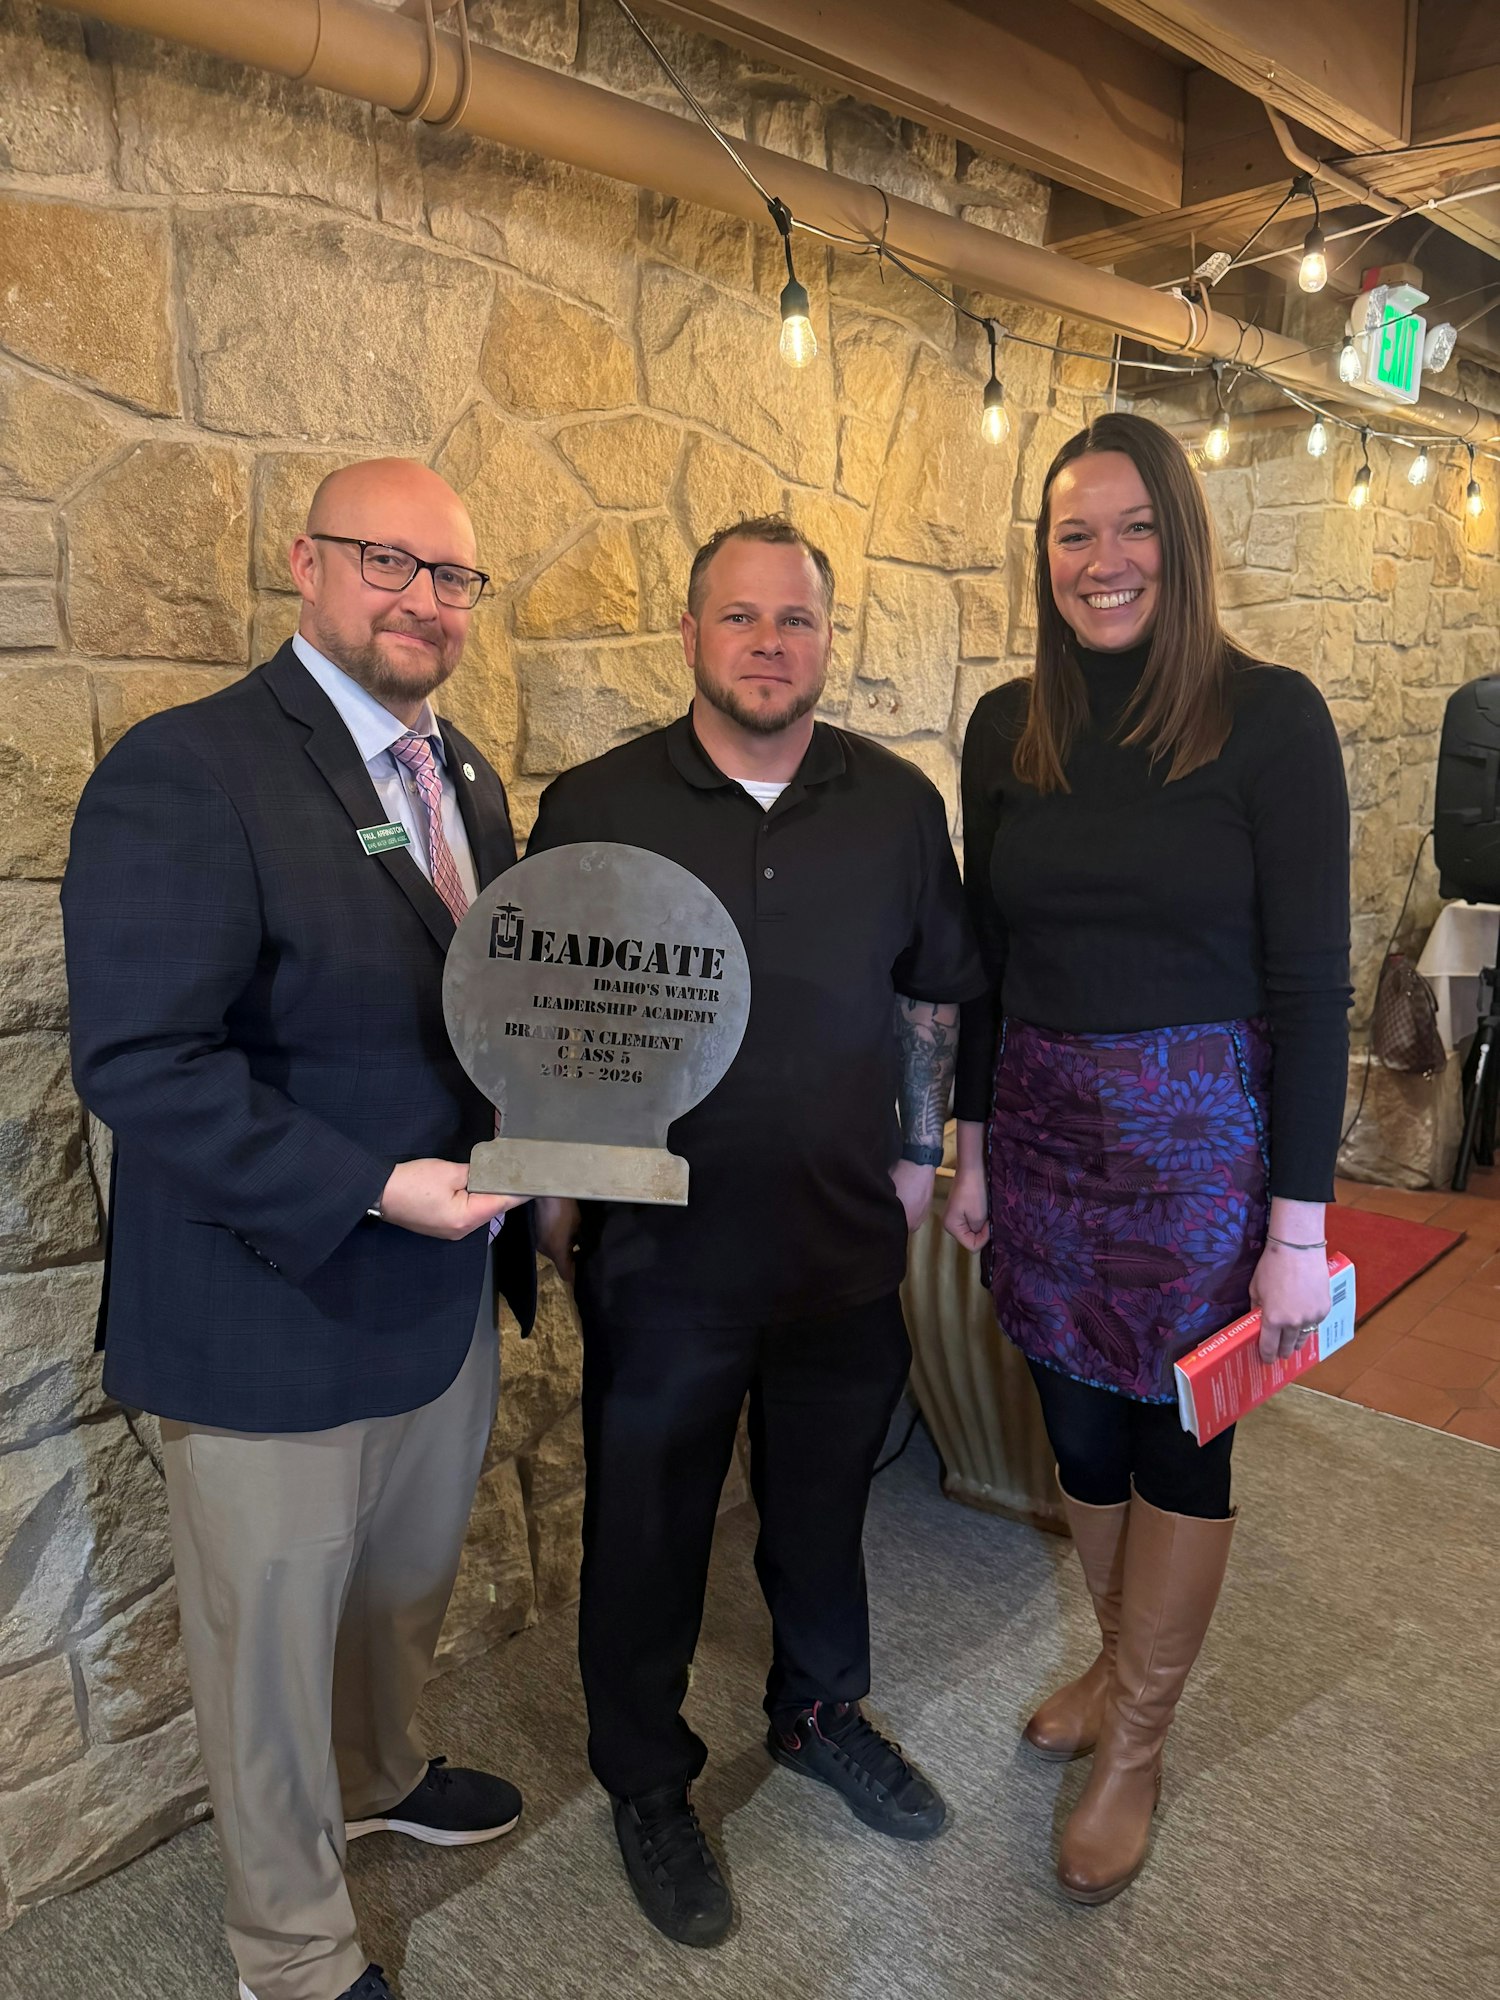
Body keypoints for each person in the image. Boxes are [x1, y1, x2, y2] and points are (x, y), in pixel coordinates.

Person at [62, 460, 539, 2000]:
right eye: (388, 562)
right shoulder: (188, 768)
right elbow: (140, 1060)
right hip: (269, 1303)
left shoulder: (465, 780)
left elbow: (496, 1019)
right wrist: (372, 1185)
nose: (423, 599)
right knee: (264, 1659)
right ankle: (293, 1953)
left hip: (436, 1292)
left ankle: (382, 1775)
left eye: (453, 576)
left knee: (398, 1595)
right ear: (306, 564)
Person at [528, 515, 984, 1947]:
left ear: (827, 638)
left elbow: (932, 990)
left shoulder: (899, 802)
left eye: (795, 620)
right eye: (740, 619)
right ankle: (649, 1780)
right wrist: (549, 1186)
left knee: (822, 1516)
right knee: (649, 1529)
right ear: (689, 635)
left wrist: (920, 1150)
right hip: (661, 1256)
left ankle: (817, 1712)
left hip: (842, 1246)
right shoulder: (596, 802)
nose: (769, 644)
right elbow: (543, 1012)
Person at [944, 412, 1350, 1905]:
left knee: (1184, 1438)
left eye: (1131, 530)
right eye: (1072, 534)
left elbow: (1313, 985)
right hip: (1047, 1142)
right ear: (1043, 555)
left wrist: (1297, 1228)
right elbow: (987, 958)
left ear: (1179, 542)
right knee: (1082, 1434)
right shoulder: (1007, 726)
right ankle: (1118, 1667)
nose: (1102, 562)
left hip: (1207, 1156)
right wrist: (974, 1145)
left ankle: (1140, 1739)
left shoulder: (1272, 718)